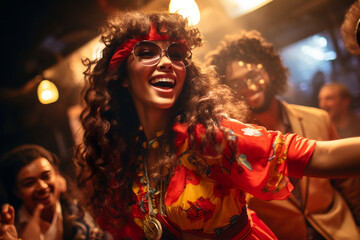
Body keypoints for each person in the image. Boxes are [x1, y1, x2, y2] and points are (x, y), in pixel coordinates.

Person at [74, 11, 360, 240]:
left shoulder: (207, 137)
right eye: (147, 52)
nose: (166, 62)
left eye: (175, 55)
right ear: (123, 76)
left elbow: (319, 155)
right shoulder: (128, 156)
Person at [206, 30, 360, 240]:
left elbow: (348, 185)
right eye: (237, 83)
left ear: (270, 71)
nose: (249, 87)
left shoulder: (319, 118)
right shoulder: (233, 144)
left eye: (254, 76)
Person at [0, 144, 109, 240]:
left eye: (46, 176)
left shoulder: (84, 217)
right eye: (29, 183)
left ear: (57, 175)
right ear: (17, 192)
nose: (42, 187)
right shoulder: (10, 228)